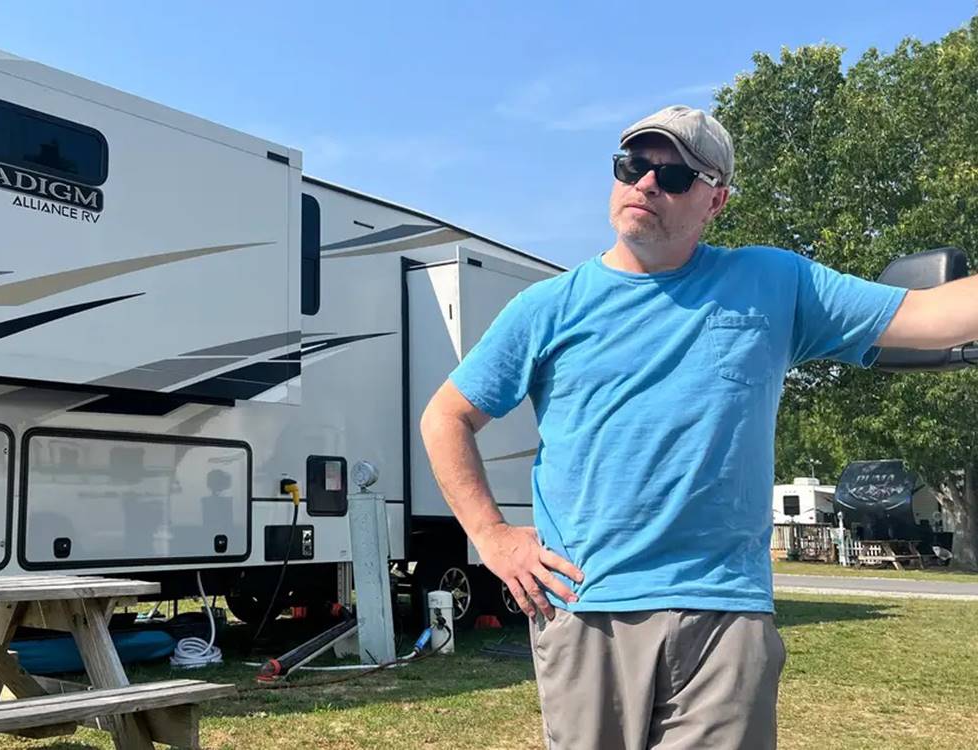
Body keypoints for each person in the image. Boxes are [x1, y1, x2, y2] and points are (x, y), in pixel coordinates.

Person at [419, 104, 978, 750]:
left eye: (675, 175)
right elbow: (446, 417)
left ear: (716, 201)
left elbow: (930, 315)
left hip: (725, 614)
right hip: (587, 609)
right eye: (633, 165)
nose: (647, 184)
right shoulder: (548, 308)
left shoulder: (772, 282)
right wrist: (491, 536)